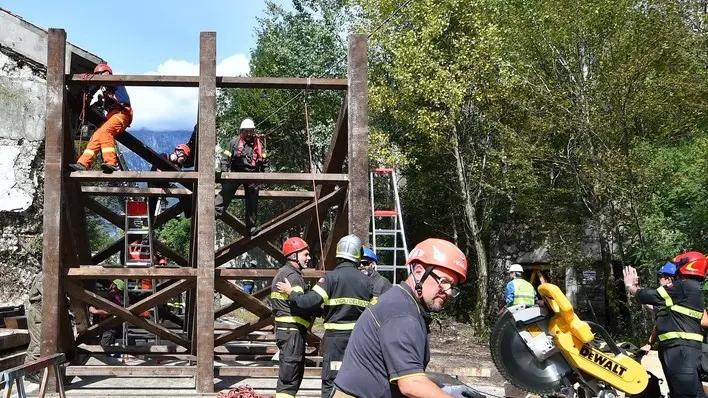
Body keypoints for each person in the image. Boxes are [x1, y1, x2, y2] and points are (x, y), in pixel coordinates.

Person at [332, 238, 469, 398]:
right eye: (443, 281)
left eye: (452, 286)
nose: (448, 292)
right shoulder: (401, 312)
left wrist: (444, 390)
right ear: (419, 271)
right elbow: (411, 384)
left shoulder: (406, 304)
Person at [276, 234, 372, 398]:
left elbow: (308, 302)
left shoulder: (331, 278)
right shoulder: (368, 282)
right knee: (356, 378)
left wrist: (291, 293)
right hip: (359, 340)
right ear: (357, 254)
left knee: (332, 379)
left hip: (335, 342)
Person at [624, 251, 708, 398]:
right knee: (687, 393)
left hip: (680, 351)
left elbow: (652, 296)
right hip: (678, 350)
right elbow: (657, 307)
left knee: (686, 395)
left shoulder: (684, 286)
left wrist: (631, 286)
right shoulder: (686, 291)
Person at [271, 237, 316, 398]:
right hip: (292, 333)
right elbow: (301, 304)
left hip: (290, 332)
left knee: (293, 374)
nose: (309, 258)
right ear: (293, 255)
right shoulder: (292, 277)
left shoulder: (287, 274)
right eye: (306, 254)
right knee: (290, 378)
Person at [69, 63, 132, 174]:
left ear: (108, 73)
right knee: (96, 136)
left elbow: (103, 82)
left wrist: (93, 81)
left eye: (102, 74)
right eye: (98, 75)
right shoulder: (105, 87)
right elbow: (93, 88)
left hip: (122, 113)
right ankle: (83, 163)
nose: (102, 76)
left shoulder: (115, 82)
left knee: (105, 131)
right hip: (113, 115)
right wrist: (87, 89)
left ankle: (111, 163)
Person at [214, 118, 268, 236]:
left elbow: (264, 161)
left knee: (252, 199)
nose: (248, 134)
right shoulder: (234, 143)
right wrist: (225, 173)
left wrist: (266, 175)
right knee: (226, 191)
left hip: (253, 175)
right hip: (236, 173)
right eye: (246, 131)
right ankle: (214, 212)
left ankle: (251, 227)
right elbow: (225, 158)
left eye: (250, 131)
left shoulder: (259, 145)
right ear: (241, 131)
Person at [640, 262, 677, 353]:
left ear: (668, 280)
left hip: (677, 348)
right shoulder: (671, 298)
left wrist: (634, 290)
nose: (659, 280)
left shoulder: (673, 297)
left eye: (661, 277)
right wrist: (649, 343)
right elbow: (659, 322)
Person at [88, 279, 125, 348]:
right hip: (107, 327)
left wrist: (95, 311)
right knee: (100, 347)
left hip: (110, 328)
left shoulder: (114, 297)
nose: (110, 285)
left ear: (114, 286)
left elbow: (110, 311)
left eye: (112, 284)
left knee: (102, 348)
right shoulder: (113, 296)